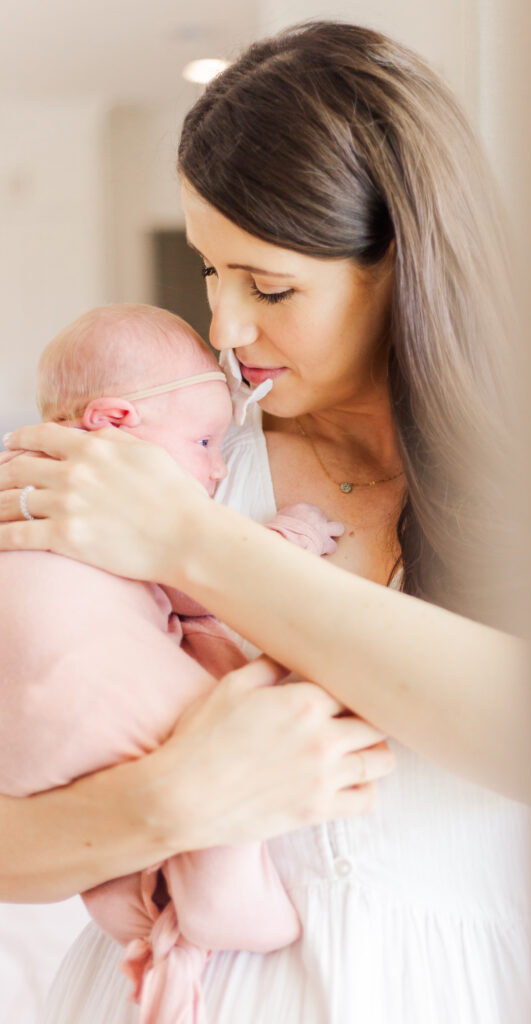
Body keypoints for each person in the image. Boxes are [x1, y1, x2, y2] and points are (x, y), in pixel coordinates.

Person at [0, 20, 531, 1024]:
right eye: (209, 269)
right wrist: (164, 803)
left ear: (405, 268)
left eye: (270, 285)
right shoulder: (163, 454)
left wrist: (189, 543)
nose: (225, 329)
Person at [0, 302, 348, 1024]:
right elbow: (201, 580)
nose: (217, 467)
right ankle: (223, 902)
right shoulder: (97, 489)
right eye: (200, 441)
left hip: (23, 739)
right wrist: (290, 533)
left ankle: (141, 915)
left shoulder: (23, 472)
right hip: (89, 688)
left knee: (126, 816)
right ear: (114, 422)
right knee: (227, 726)